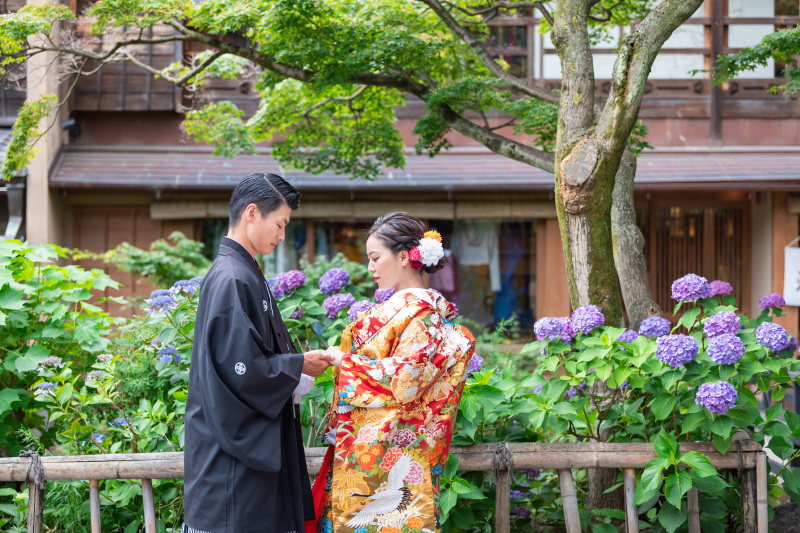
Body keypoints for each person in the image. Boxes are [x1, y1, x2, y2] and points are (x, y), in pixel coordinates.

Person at [183, 172, 332, 533]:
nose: (282, 236)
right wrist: (298, 366)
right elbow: (242, 369)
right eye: (280, 224)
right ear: (252, 213)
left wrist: (296, 368)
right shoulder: (233, 277)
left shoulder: (241, 271)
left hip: (237, 461)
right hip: (231, 468)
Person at [315, 212, 476, 533]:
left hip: (388, 452)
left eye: (376, 258)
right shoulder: (420, 314)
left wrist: (345, 362)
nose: (370, 267)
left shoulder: (420, 316)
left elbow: (405, 379)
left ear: (403, 257)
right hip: (394, 450)